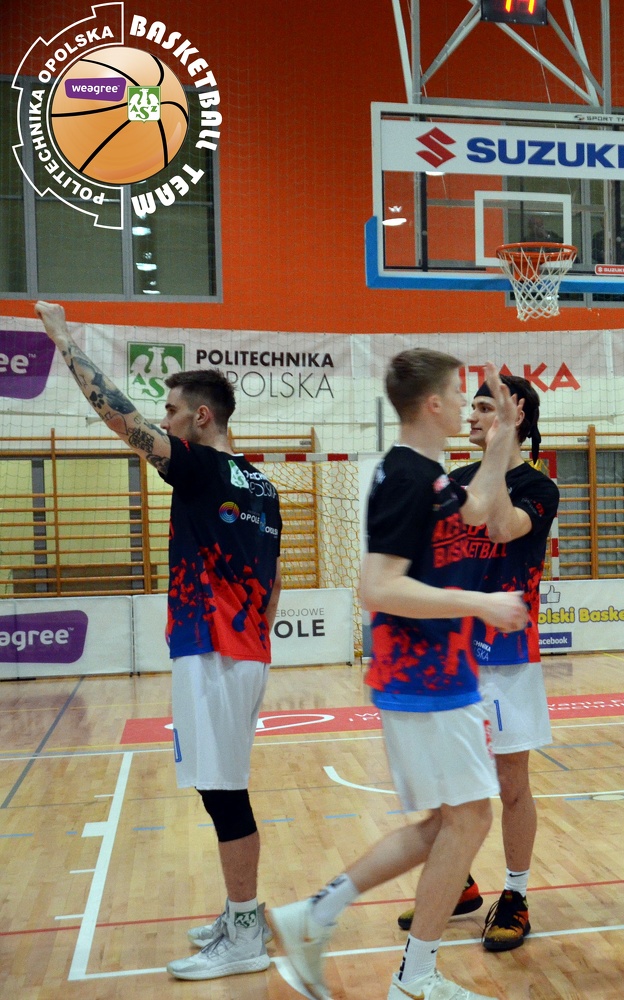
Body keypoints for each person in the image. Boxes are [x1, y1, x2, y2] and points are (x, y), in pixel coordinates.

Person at [35, 301, 284, 981]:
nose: (162, 420)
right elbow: (275, 580)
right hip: (239, 649)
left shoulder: (201, 469)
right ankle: (240, 914)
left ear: (201, 418)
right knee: (219, 788)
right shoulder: (262, 483)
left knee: (224, 793)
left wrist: (64, 339)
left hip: (217, 652)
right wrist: (249, 638)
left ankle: (245, 933)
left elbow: (120, 418)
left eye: (171, 411)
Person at [269, 351, 529, 1000]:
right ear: (434, 404)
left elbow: (476, 512)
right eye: (460, 395)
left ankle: (316, 916)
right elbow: (378, 587)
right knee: (468, 821)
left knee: (449, 823)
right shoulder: (408, 477)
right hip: (422, 674)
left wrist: (503, 439)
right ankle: (413, 977)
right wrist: (480, 603)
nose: (468, 405)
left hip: (436, 673)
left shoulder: (427, 474)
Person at [392, 375, 560, 954]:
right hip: (449, 655)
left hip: (507, 659)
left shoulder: (538, 486)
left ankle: (515, 894)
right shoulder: (454, 480)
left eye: (484, 407)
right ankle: (458, 882)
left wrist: (498, 454)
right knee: (448, 784)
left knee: (511, 784)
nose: (470, 415)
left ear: (515, 415)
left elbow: (501, 527)